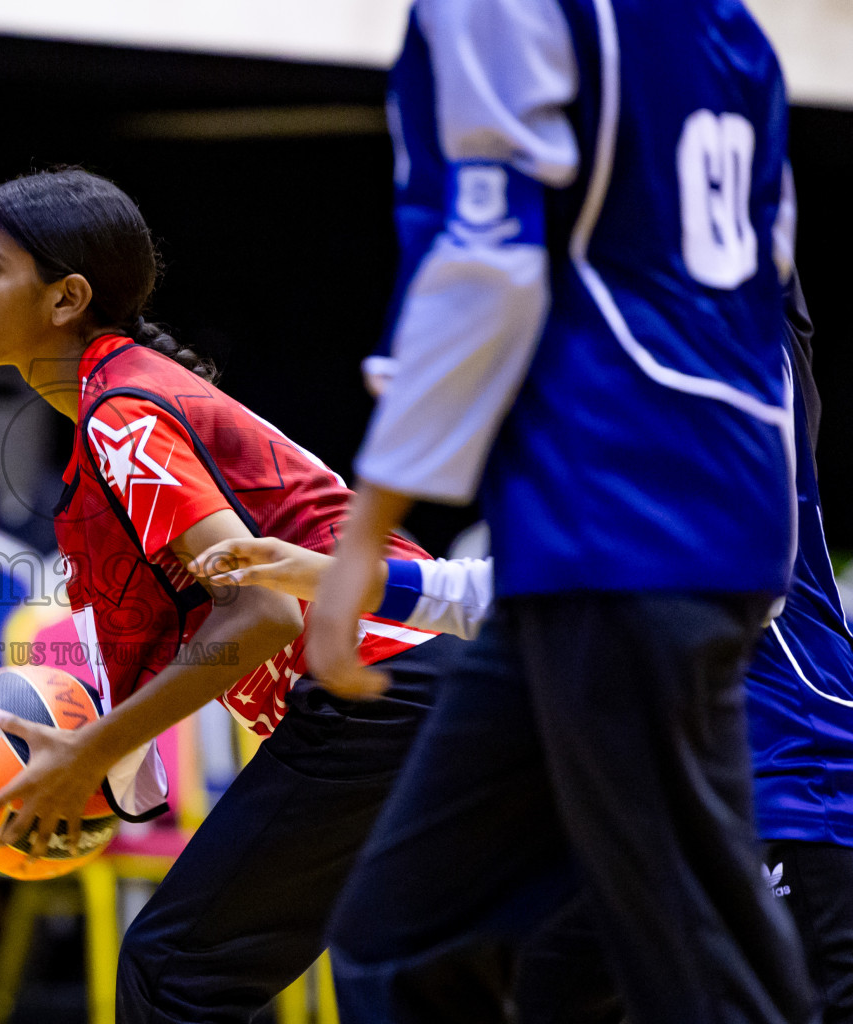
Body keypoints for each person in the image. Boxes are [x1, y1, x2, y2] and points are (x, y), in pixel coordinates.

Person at [301, 2, 815, 1022]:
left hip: (621, 523)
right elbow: (770, 285)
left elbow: (490, 258)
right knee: (406, 938)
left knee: (703, 972)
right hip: (697, 518)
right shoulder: (735, 27)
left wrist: (369, 529)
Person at [0, 167, 466, 1023]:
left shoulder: (123, 412)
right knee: (430, 982)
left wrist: (89, 751)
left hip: (381, 696)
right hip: (422, 696)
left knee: (176, 974)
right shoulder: (116, 410)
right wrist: (102, 756)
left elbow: (262, 608)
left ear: (66, 297)